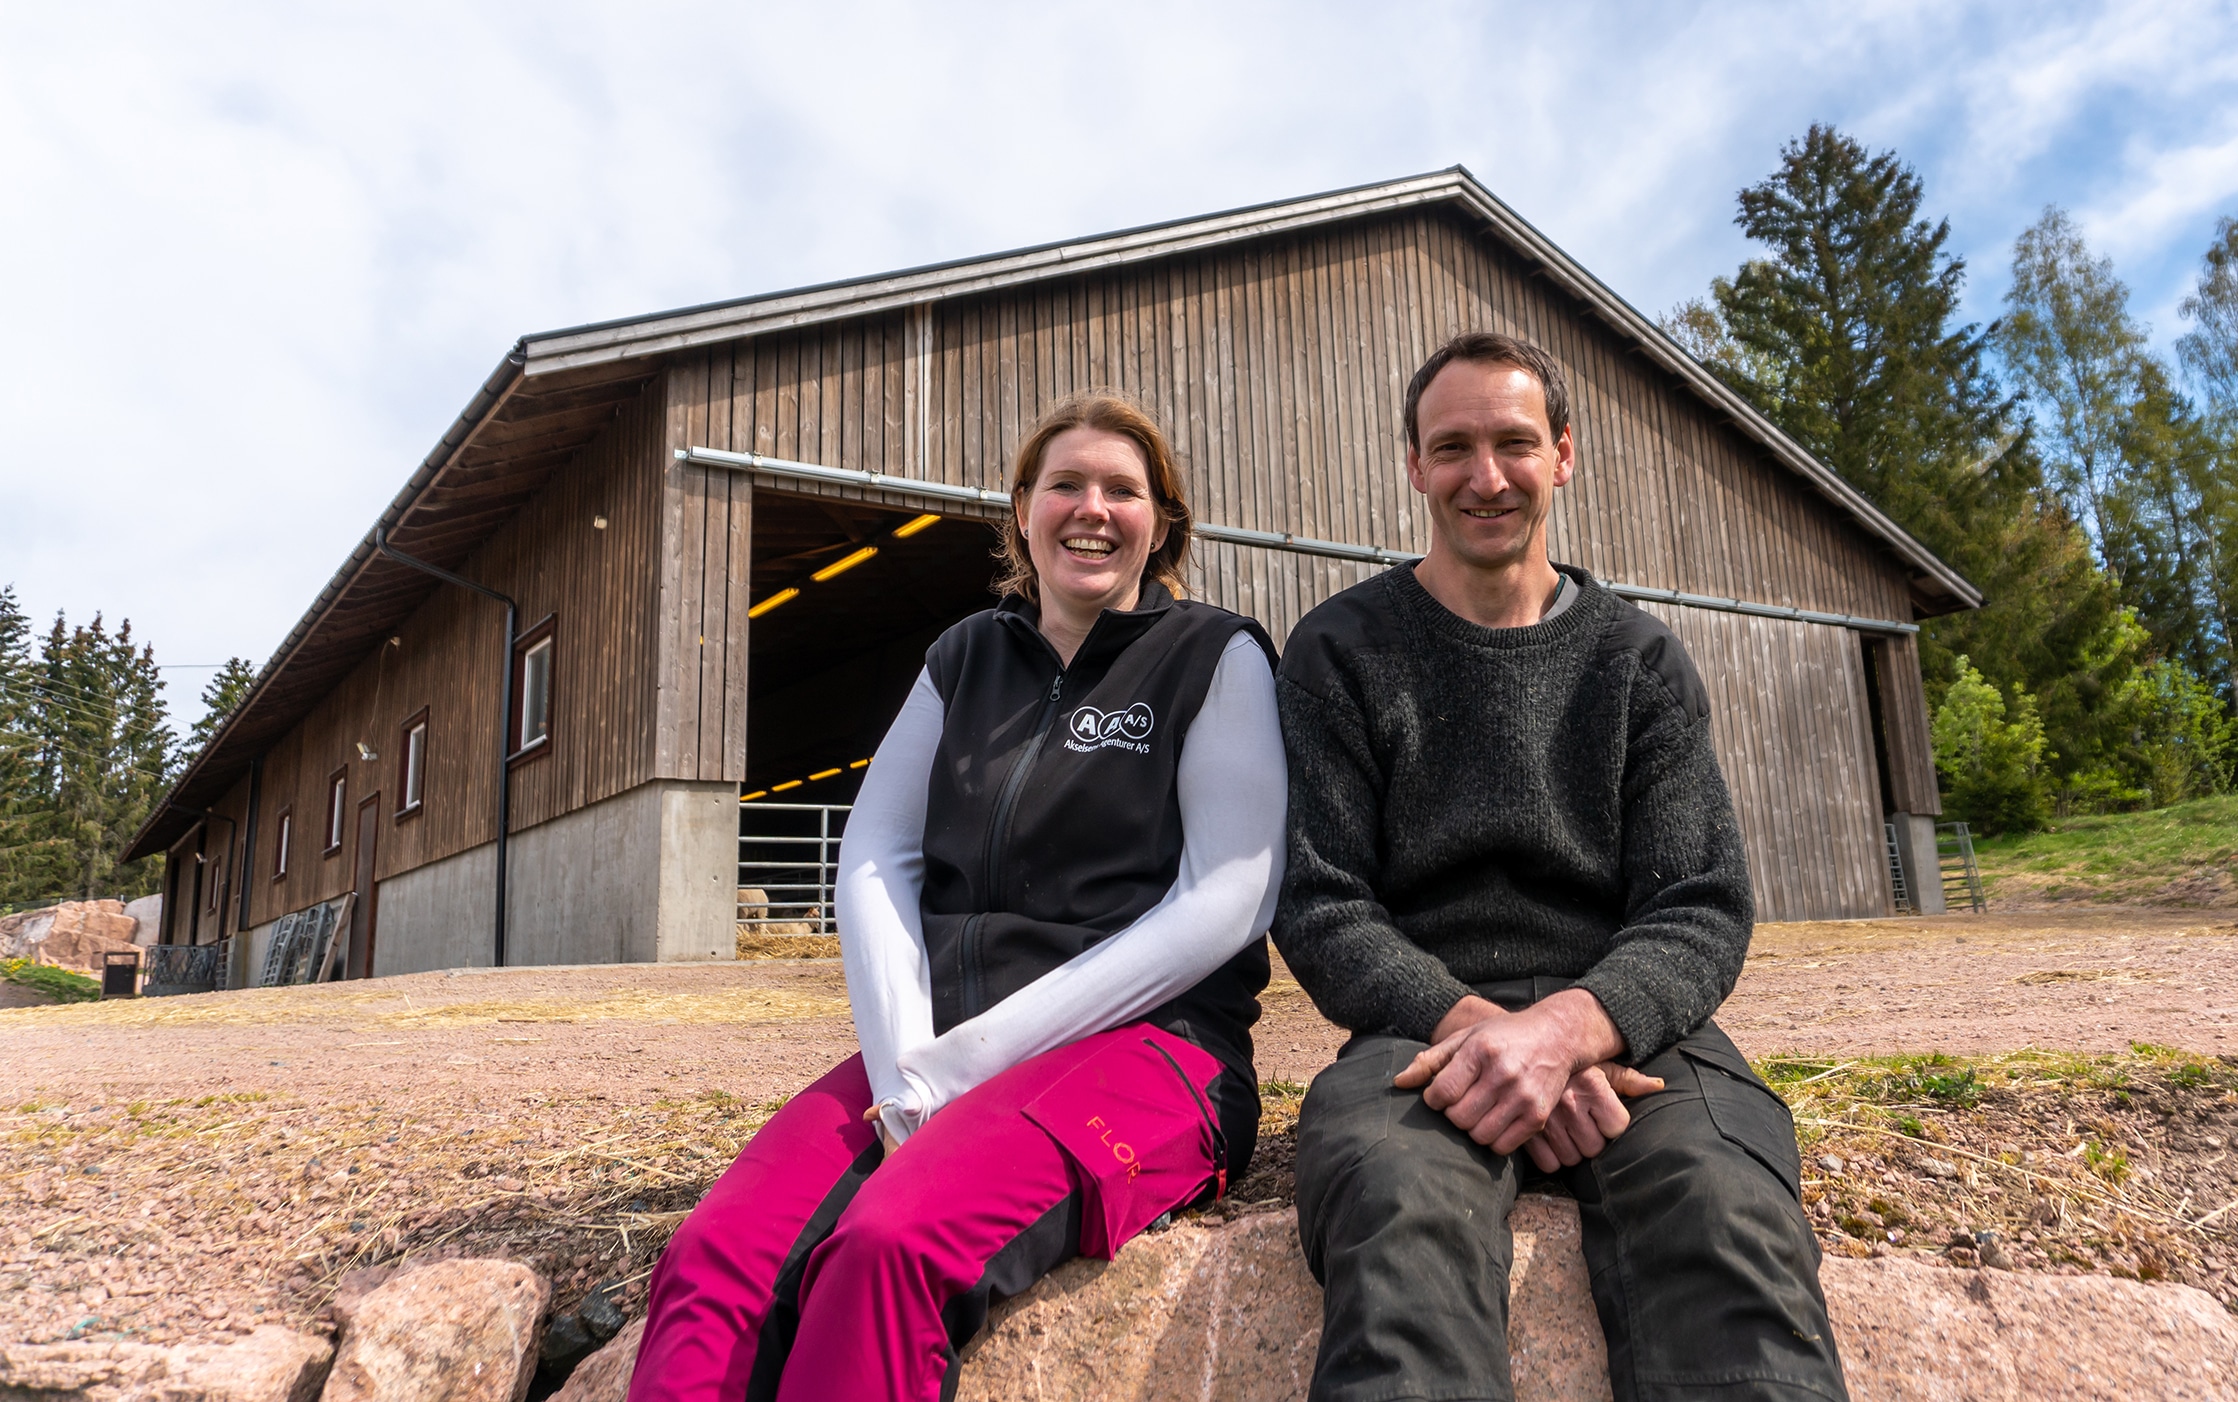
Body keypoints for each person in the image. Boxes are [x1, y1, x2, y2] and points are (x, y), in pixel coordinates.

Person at [628, 391, 1286, 1402]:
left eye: (1123, 488)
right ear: (1023, 508)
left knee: (889, 1245)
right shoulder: (965, 655)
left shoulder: (1214, 655)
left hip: (1157, 1051)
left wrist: (966, 1066)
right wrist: (904, 1072)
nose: (1092, 508)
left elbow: (1227, 898)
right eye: (1065, 483)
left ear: (1163, 522)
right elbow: (877, 853)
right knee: (717, 1256)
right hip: (940, 1046)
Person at [1274, 332, 1848, 1402]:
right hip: (1422, 1033)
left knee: (1728, 1212)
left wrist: (1572, 1030)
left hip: (1635, 1034)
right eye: (1452, 447)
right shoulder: (1340, 651)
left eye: (1513, 443)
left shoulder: (1637, 662)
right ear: (1412, 464)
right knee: (1399, 1213)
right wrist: (1497, 1040)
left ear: (1565, 454)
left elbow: (1699, 904)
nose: (1484, 477)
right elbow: (1322, 903)